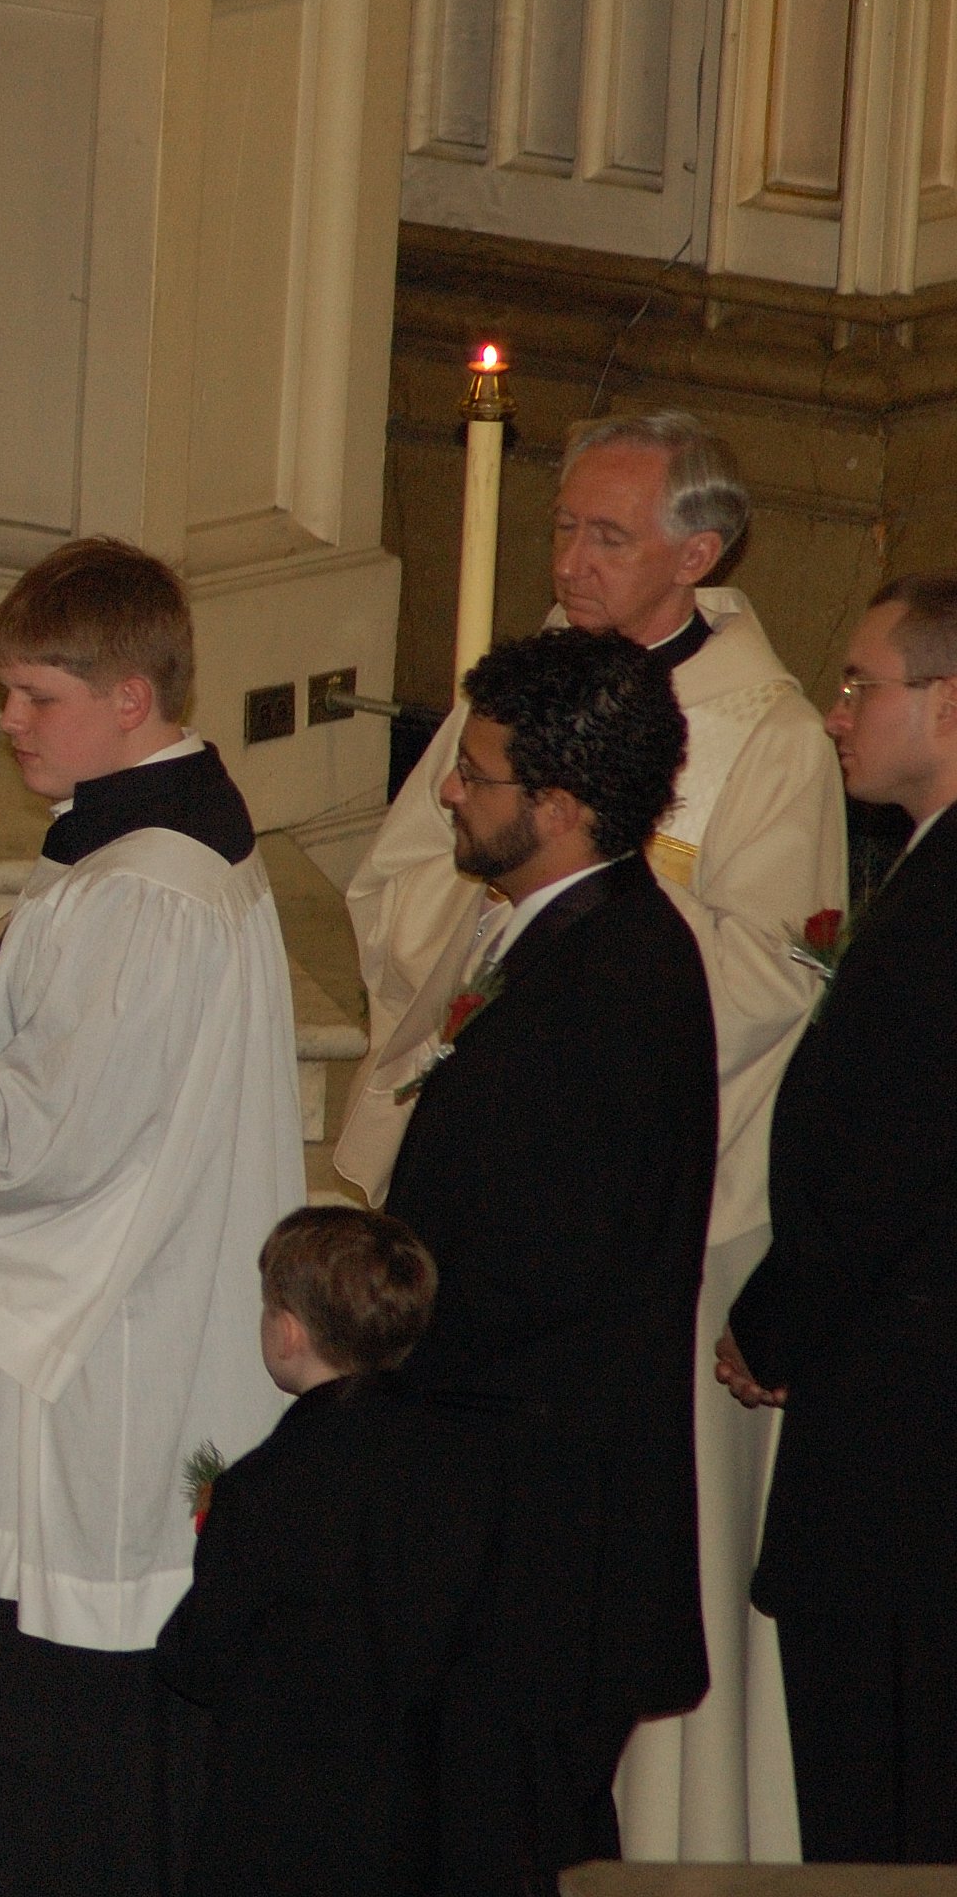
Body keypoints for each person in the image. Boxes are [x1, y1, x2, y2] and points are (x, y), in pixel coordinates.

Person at [340, 412, 841, 1861]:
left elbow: (771, 972)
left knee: (557, 1638)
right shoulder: (518, 700)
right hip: (503, 1154)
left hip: (635, 1222)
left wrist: (583, 892)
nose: (568, 560)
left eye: (605, 535)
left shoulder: (767, 735)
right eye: (561, 526)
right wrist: (507, 908)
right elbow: (396, 888)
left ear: (699, 551)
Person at [0, 538, 304, 1896]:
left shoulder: (146, 888)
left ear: (131, 697)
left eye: (37, 695)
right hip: (126, 1287)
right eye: (6, 690)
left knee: (50, 1706)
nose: (7, 719)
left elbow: (45, 1140)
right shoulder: (135, 839)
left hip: (99, 1333)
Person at [382, 627, 718, 1895]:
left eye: (473, 773)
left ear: (561, 805)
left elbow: (535, 1267)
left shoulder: (608, 979)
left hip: (544, 1541)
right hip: (527, 1527)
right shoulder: (573, 938)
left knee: (508, 1846)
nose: (447, 790)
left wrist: (368, 1320)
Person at [718, 573, 957, 1863]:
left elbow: (887, 1160)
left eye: (862, 683)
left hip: (902, 1450)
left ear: (947, 703)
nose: (833, 711)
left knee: (885, 1809)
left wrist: (772, 1322)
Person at [156, 1206, 501, 1897]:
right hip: (429, 1814)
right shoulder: (468, 1461)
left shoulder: (266, 1485)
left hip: (288, 1823)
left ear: (288, 1332)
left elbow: (204, 1659)